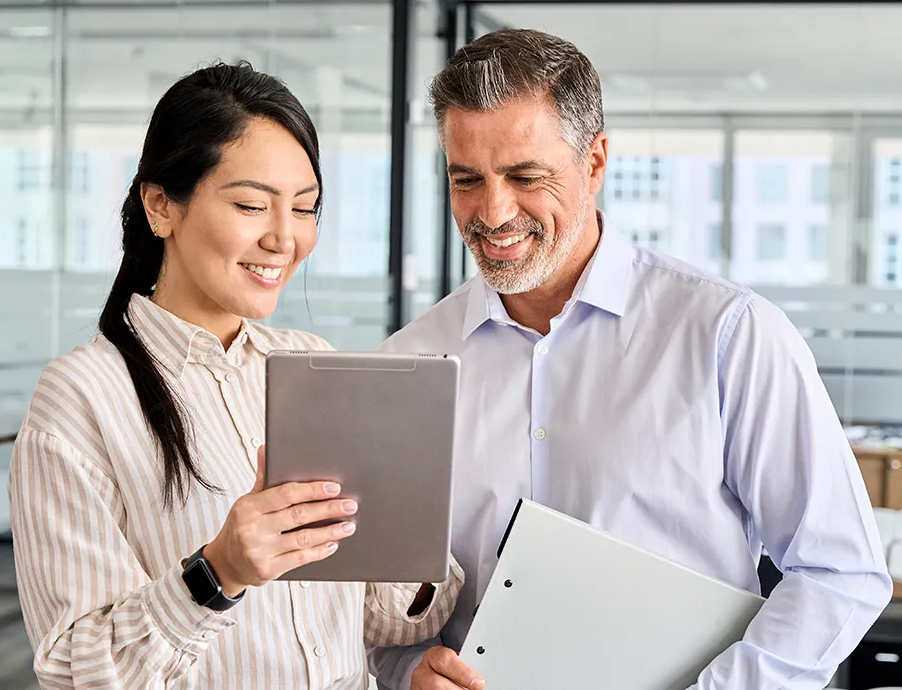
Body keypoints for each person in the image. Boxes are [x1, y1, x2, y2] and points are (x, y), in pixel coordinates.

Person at [368, 28, 891, 690]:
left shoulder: (728, 335)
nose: (492, 213)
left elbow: (840, 570)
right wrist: (410, 671)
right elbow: (375, 616)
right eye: (466, 179)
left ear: (595, 163)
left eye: (526, 176)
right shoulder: (409, 363)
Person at [7, 61, 463, 690]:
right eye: (251, 204)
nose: (285, 238)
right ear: (161, 204)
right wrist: (217, 574)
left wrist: (407, 520)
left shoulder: (311, 361)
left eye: (305, 209)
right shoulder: (80, 398)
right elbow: (73, 671)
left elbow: (391, 621)